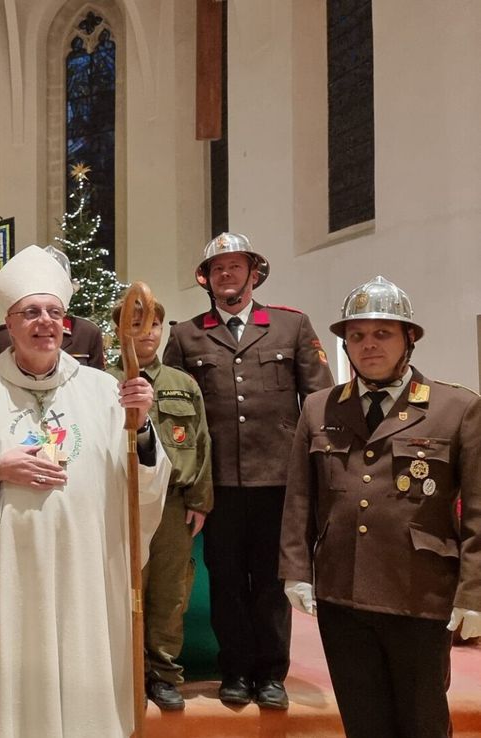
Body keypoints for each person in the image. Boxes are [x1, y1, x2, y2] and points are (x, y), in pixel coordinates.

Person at [0, 245, 170, 738]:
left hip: (84, 575)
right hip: (1, 576)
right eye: (30, 313)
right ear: (9, 326)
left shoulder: (105, 390)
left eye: (54, 313)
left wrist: (140, 429)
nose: (44, 322)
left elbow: (142, 482)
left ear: (67, 324)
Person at [279, 276, 481, 738]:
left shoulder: (457, 408)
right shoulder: (319, 408)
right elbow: (300, 499)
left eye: (382, 333)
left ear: (409, 338)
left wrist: (474, 592)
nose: (368, 345)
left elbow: (478, 512)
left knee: (422, 719)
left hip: (419, 592)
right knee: (362, 718)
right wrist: (296, 570)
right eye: (357, 335)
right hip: (341, 593)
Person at [162, 232, 332, 709]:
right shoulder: (185, 335)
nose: (227, 275)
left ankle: (272, 673)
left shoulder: (290, 327)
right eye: (218, 269)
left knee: (273, 581)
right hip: (218, 485)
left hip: (279, 481)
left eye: (236, 266)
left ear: (253, 274)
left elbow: (318, 402)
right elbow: (175, 409)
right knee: (228, 580)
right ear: (207, 279)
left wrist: (318, 475)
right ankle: (235, 670)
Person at [108, 296, 213, 711]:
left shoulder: (181, 384)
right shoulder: (103, 382)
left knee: (170, 592)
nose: (147, 332)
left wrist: (200, 500)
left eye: (154, 324)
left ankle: (165, 674)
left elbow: (202, 442)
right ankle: (126, 672)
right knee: (124, 588)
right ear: (120, 331)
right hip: (122, 504)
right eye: (136, 324)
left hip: (173, 504)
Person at [0, 244, 106, 369]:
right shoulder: (1, 337)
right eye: (32, 311)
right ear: (10, 325)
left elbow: (96, 383)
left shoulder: (86, 332)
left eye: (54, 311)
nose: (45, 319)